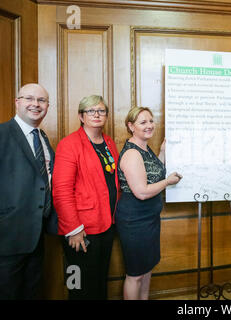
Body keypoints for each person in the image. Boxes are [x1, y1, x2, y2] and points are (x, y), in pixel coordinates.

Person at [52, 95, 119, 300]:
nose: (96, 115)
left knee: (99, 280)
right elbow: (61, 189)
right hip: (81, 229)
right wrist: (73, 229)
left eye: (101, 110)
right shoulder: (69, 144)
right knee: (79, 285)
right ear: (81, 116)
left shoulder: (108, 142)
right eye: (90, 111)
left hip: (106, 224)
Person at [115, 107, 182, 300]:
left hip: (149, 219)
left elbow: (152, 174)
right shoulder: (132, 153)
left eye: (151, 121)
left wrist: (161, 152)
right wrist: (168, 182)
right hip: (134, 221)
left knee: (147, 269)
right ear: (131, 126)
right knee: (135, 274)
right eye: (143, 122)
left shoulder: (145, 147)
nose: (149, 126)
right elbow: (142, 191)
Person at [0, 84, 54, 299]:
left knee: (31, 293)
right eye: (29, 98)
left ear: (47, 106)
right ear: (17, 102)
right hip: (7, 236)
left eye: (41, 100)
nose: (35, 104)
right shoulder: (2, 134)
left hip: (37, 234)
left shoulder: (42, 137)